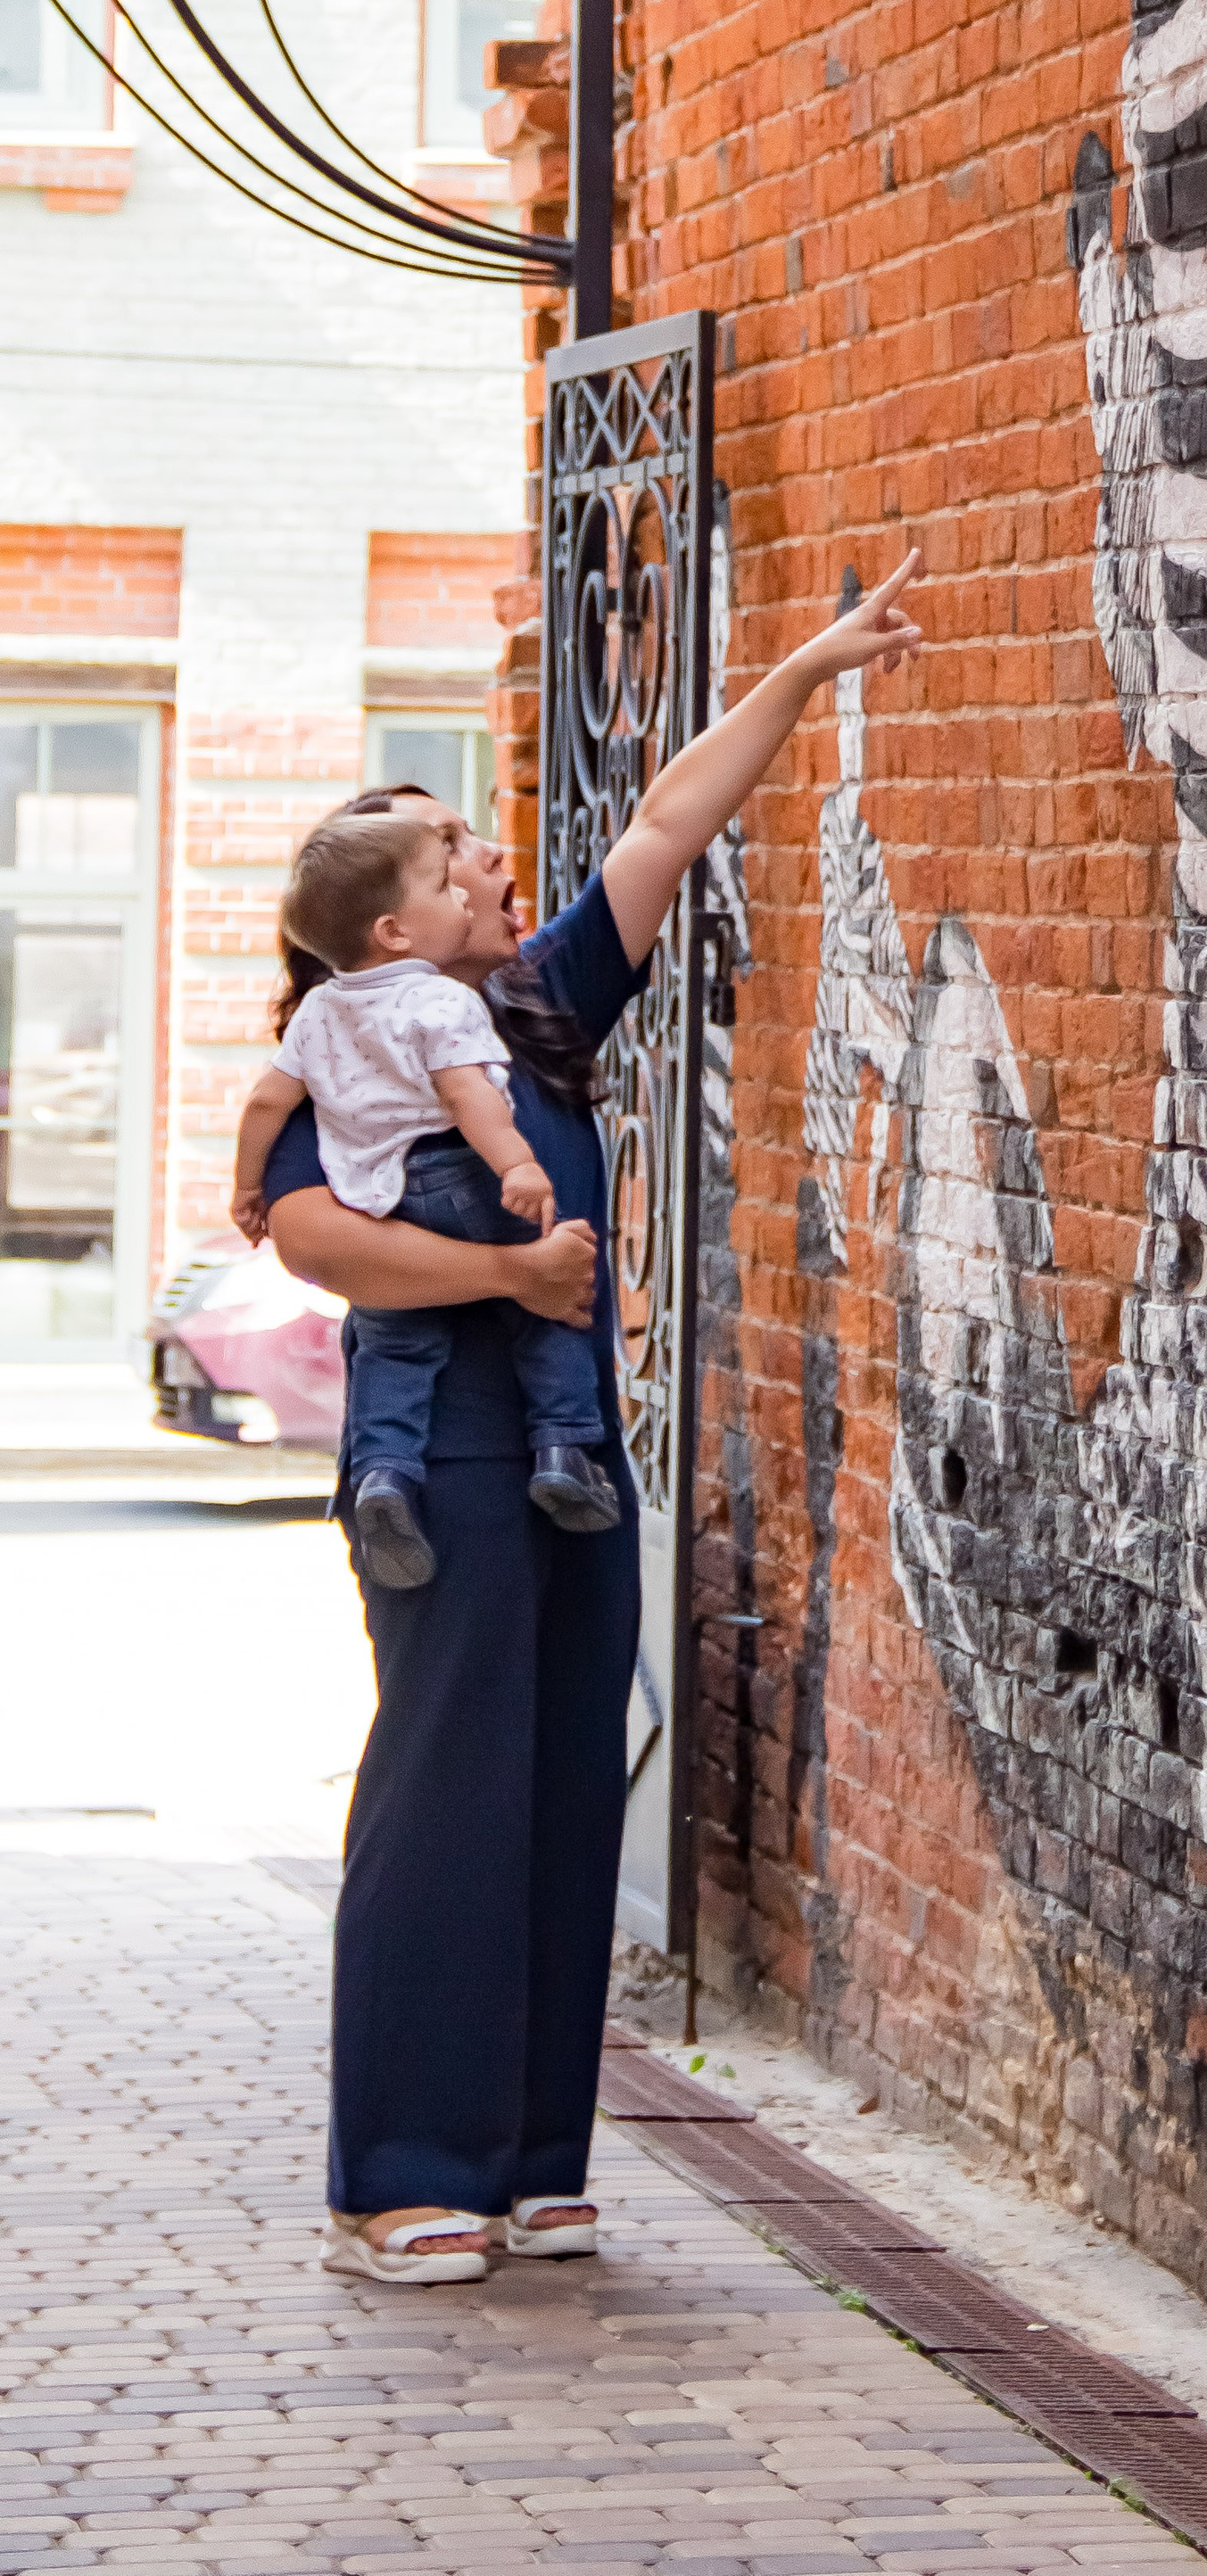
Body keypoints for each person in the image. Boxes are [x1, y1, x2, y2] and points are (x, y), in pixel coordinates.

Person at [264, 547, 923, 2285]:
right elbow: (304, 1233)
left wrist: (804, 670)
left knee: (565, 1784)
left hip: (572, 1462)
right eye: (448, 842)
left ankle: (535, 2157)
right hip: (443, 1460)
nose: (491, 855)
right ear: (386, 914)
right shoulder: (343, 1044)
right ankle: (400, 2169)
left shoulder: (539, 1010)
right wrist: (507, 1281)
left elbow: (663, 824)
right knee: (445, 1786)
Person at [234, 809, 619, 1589]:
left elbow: (263, 1105)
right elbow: (468, 1094)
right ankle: (564, 1444)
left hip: (381, 1197)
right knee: (546, 1305)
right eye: (445, 883)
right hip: (458, 1174)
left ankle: (383, 1473)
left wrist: (244, 1185)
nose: (466, 895)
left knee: (394, 1343)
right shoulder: (440, 1001)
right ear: (394, 932)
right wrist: (517, 1166)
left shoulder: (318, 1013)